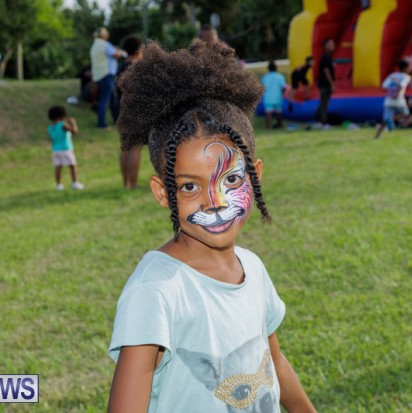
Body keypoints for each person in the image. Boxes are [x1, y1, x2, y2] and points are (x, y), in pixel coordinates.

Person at [106, 40, 317, 413]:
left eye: (232, 180)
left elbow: (274, 362)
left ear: (255, 175)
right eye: (190, 186)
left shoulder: (252, 269)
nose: (215, 201)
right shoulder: (155, 291)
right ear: (162, 193)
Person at [112, 35, 144, 189]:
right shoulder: (136, 68)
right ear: (139, 50)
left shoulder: (121, 67)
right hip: (134, 112)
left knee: (125, 148)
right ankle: (133, 184)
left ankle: (126, 183)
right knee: (135, 148)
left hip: (120, 111)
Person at [90, 27, 127, 128]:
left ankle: (116, 120)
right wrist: (123, 53)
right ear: (104, 35)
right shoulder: (104, 44)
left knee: (111, 99)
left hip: (98, 75)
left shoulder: (94, 45)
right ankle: (101, 123)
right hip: (107, 74)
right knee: (104, 100)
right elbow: (115, 54)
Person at [47, 106, 84, 191]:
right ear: (61, 116)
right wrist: (73, 123)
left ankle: (59, 185)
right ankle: (75, 183)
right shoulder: (62, 125)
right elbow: (74, 131)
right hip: (66, 149)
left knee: (58, 167)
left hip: (55, 150)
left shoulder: (50, 127)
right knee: (72, 166)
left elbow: (52, 139)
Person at [375, 60, 412, 138]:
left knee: (385, 119)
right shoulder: (406, 77)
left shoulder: (392, 75)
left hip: (389, 100)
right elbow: (401, 85)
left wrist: (391, 92)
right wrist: (396, 93)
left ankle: (378, 135)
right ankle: (394, 122)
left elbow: (384, 86)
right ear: (406, 68)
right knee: (406, 115)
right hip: (399, 100)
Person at [314, 38, 335, 129]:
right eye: (331, 44)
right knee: (324, 103)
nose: (333, 46)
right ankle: (323, 122)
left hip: (324, 84)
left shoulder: (327, 57)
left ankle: (318, 121)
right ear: (326, 46)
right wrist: (332, 83)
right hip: (325, 84)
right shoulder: (326, 57)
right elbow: (326, 70)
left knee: (323, 102)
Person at [261, 61, 287, 129]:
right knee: (279, 112)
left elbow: (262, 88)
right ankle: (279, 125)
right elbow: (284, 87)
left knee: (268, 113)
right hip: (278, 97)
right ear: (276, 68)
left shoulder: (265, 77)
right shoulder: (280, 76)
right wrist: (282, 93)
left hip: (267, 98)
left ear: (268, 68)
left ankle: (268, 127)